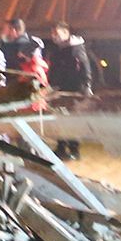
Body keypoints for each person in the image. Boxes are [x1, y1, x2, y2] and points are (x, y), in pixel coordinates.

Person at [43, 22, 94, 157]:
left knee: (72, 119)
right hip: (58, 89)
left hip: (73, 90)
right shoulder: (56, 49)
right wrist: (50, 84)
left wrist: (87, 85)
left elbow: (85, 67)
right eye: (52, 33)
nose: (53, 36)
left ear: (66, 33)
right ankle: (61, 146)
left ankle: (74, 149)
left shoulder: (76, 49)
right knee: (59, 118)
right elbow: (53, 69)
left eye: (56, 33)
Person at [1, 17, 47, 84]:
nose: (3, 32)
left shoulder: (25, 47)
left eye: (5, 29)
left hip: (22, 84)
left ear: (13, 31)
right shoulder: (14, 45)